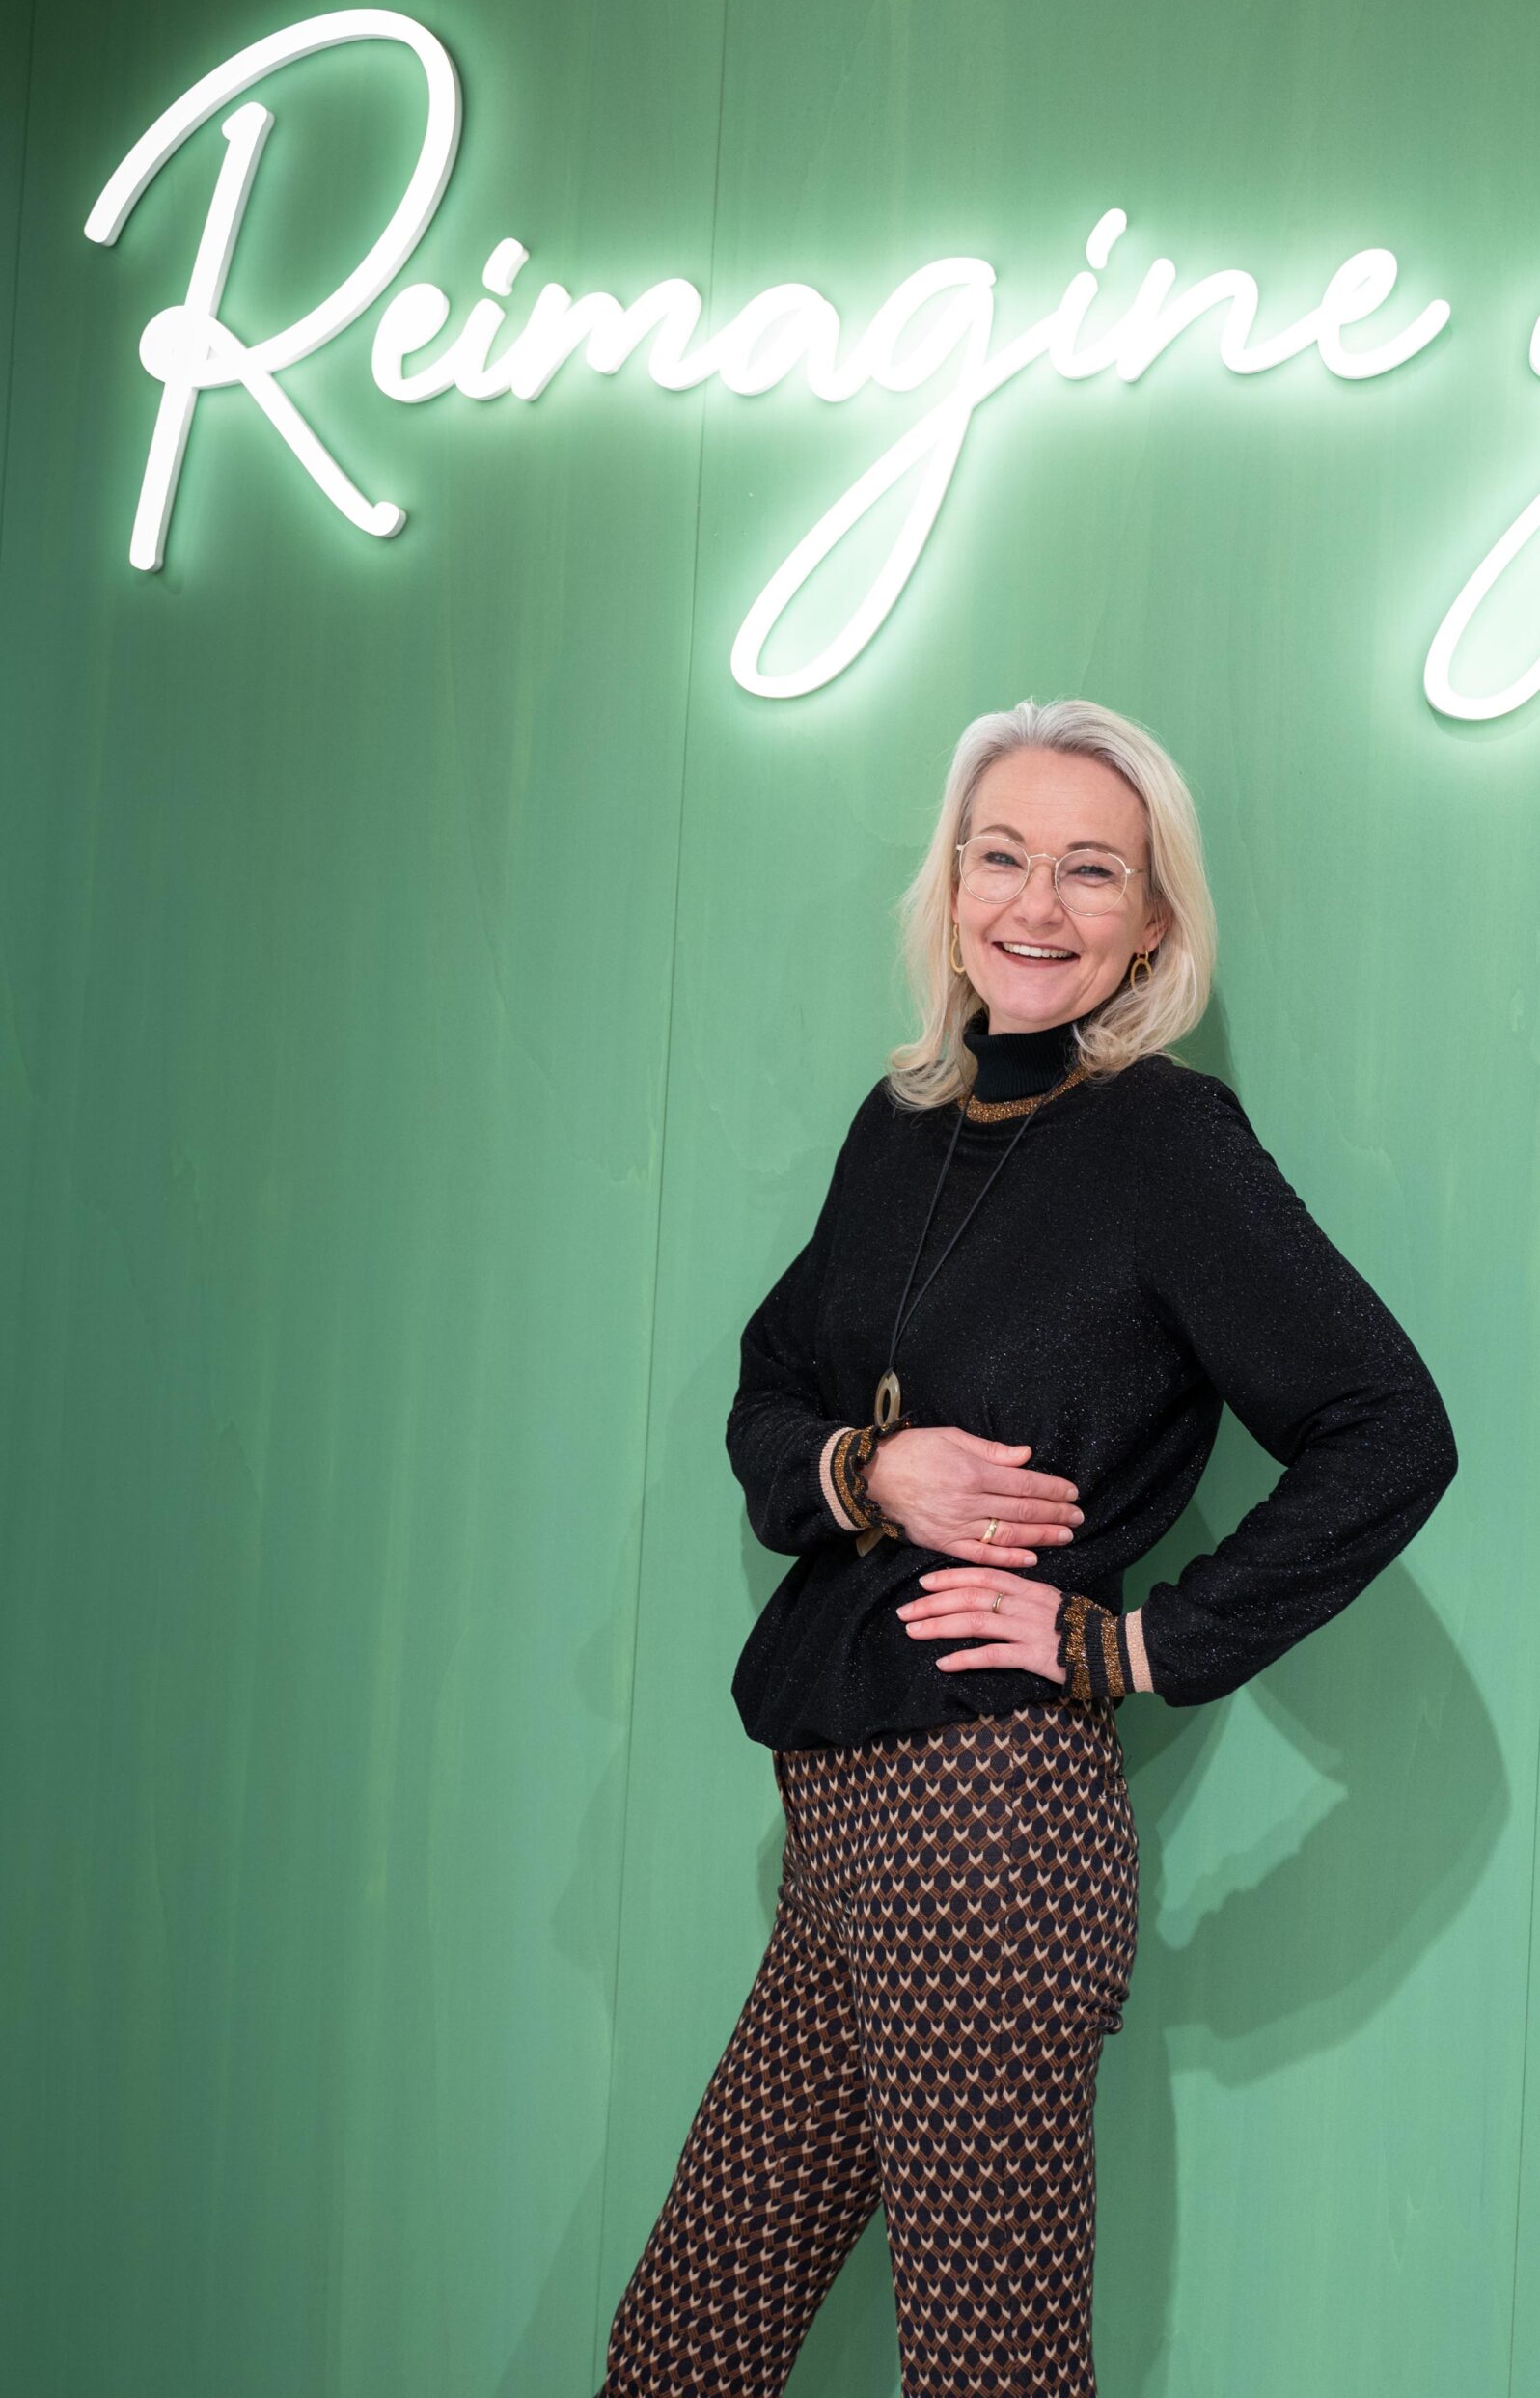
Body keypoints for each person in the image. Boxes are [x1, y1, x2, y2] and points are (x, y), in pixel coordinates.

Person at [594, 697, 1458, 2398]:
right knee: (684, 2346)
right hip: (841, 1831)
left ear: (1151, 920)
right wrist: (873, 1473)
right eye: (1001, 857)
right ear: (950, 883)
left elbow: (1389, 1426)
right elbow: (772, 1393)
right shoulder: (900, 1127)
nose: (1036, 906)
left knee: (988, 2370)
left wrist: (1135, 1646)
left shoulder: (1166, 1139)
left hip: (987, 1827)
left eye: (1091, 870)